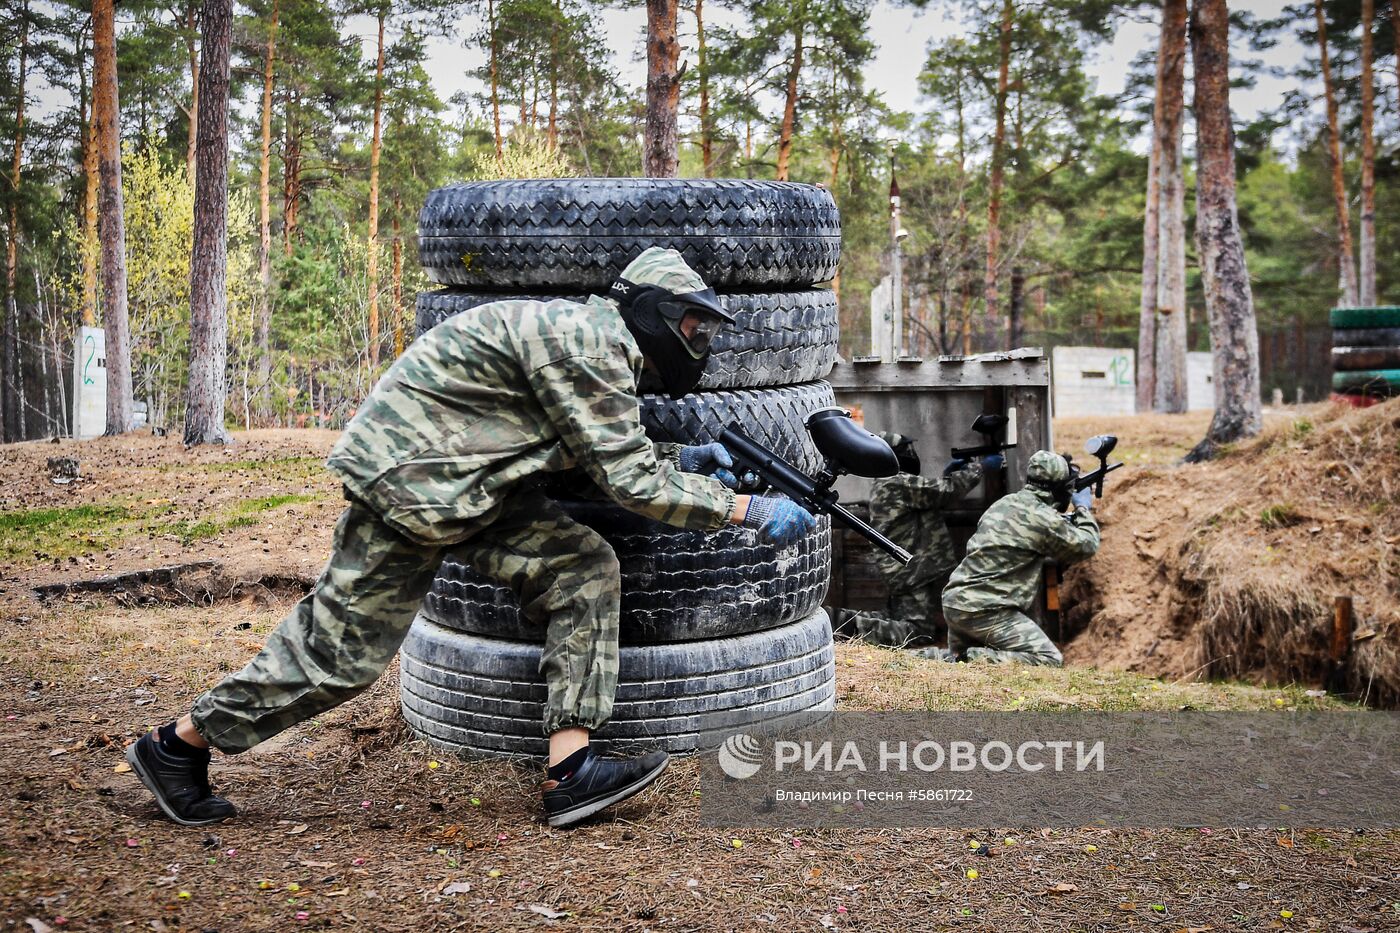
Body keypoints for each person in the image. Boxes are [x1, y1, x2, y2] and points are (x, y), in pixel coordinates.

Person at [125, 247, 817, 829]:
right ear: (654, 312)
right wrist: (747, 508)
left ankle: (571, 770)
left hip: (467, 489)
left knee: (582, 568)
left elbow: (587, 454)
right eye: (693, 325)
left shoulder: (592, 345)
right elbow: (628, 480)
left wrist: (685, 462)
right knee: (340, 656)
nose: (698, 342)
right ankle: (177, 744)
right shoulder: (591, 343)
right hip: (412, 483)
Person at [940, 450, 1099, 666]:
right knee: (1048, 659)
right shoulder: (1043, 519)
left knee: (956, 668)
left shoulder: (1005, 503)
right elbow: (1086, 545)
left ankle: (956, 659)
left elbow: (1035, 528)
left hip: (956, 601)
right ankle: (970, 659)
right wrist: (1082, 507)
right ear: (1059, 488)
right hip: (985, 610)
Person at [847, 434, 998, 650]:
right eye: (906, 450)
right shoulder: (896, 483)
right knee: (917, 632)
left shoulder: (889, 483)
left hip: (906, 569)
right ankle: (844, 627)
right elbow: (945, 492)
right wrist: (980, 468)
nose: (911, 455)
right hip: (910, 572)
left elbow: (930, 494)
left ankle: (843, 621)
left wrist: (949, 474)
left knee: (893, 619)